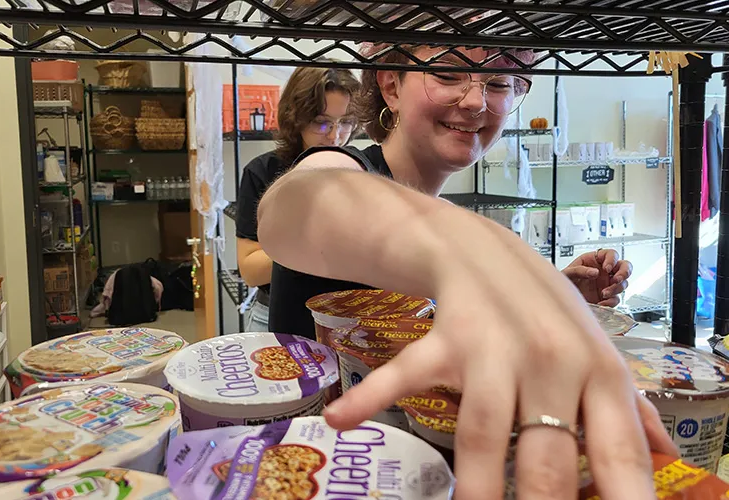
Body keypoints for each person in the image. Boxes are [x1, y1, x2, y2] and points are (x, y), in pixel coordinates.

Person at [258, 45, 677, 499]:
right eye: (447, 74)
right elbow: (297, 200)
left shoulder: (441, 207)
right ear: (391, 85)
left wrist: (551, 294)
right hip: (307, 471)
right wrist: (475, 250)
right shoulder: (350, 166)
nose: (477, 101)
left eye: (498, 83)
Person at [235, 67, 360, 332]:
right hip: (275, 314)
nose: (335, 136)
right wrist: (319, 242)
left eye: (345, 122)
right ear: (296, 118)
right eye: (321, 122)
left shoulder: (360, 169)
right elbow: (250, 270)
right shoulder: (263, 172)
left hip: (344, 316)